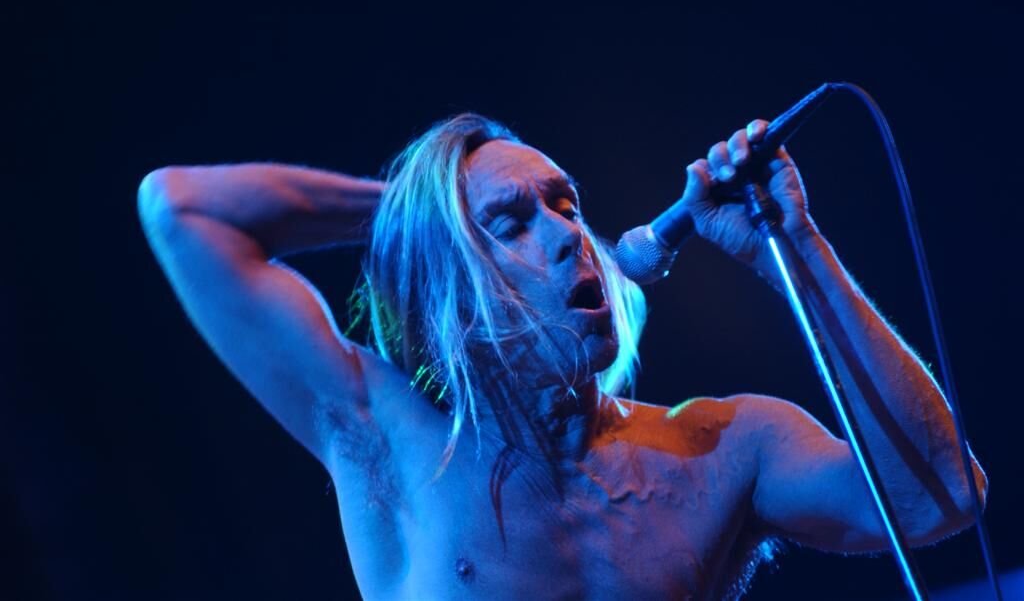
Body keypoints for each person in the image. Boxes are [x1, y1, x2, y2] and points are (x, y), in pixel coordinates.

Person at [138, 113, 987, 600]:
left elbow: (941, 496)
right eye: (510, 222)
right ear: (451, 285)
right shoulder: (385, 439)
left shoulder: (717, 447)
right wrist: (419, 212)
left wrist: (792, 245)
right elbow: (183, 210)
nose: (565, 236)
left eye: (567, 205)